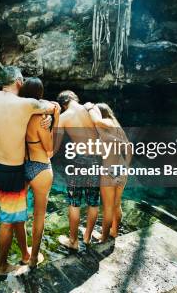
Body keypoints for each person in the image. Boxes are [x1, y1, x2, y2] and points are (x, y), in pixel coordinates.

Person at [0, 66, 59, 275]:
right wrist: (54, 114)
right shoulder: (27, 104)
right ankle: (2, 266)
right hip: (10, 171)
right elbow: (52, 105)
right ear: (19, 82)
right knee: (8, 221)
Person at [53, 90, 111, 250]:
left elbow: (54, 147)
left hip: (77, 162)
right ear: (74, 99)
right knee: (93, 202)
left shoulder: (63, 117)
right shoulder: (92, 109)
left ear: (63, 105)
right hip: (95, 160)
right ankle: (86, 238)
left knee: (74, 203)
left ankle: (73, 242)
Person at [18, 77, 60, 268]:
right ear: (40, 95)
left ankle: (24, 253)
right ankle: (34, 258)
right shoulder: (41, 119)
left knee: (19, 213)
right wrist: (55, 119)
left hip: (21, 166)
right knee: (39, 216)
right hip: (41, 167)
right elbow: (50, 149)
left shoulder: (16, 114)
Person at [86, 102, 131, 243]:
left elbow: (96, 120)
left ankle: (103, 237)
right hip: (122, 170)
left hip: (109, 171)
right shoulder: (117, 127)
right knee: (117, 204)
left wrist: (89, 108)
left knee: (108, 208)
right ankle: (114, 231)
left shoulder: (104, 123)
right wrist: (127, 167)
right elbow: (130, 148)